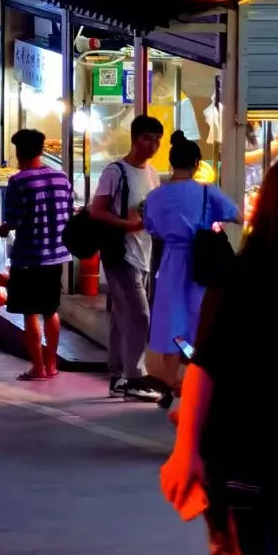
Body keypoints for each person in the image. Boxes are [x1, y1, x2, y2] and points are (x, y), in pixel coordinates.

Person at [161, 153, 278, 555]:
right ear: (275, 205)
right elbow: (206, 367)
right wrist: (186, 452)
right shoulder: (245, 280)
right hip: (244, 467)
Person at [144, 131, 240, 399]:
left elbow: (151, 228)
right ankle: (199, 379)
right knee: (202, 318)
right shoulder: (208, 192)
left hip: (171, 262)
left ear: (172, 162)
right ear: (197, 163)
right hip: (205, 263)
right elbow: (238, 216)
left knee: (171, 319)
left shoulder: (156, 196)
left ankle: (171, 380)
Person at [91, 114, 164, 400]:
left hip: (143, 251)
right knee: (140, 315)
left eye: (158, 139)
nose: (153, 144)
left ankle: (117, 375)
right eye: (148, 138)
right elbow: (97, 211)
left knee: (122, 316)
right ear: (135, 138)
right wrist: (128, 225)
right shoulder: (115, 172)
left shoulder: (152, 173)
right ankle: (135, 377)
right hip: (119, 253)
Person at [0, 128, 74, 382]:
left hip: (29, 258)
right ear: (42, 150)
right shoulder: (62, 178)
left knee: (30, 312)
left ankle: (38, 367)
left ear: (19, 153)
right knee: (51, 310)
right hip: (56, 257)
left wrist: (4, 228)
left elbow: (15, 219)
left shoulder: (19, 181)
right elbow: (68, 213)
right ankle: (52, 364)